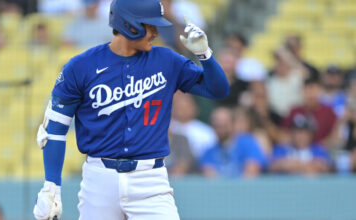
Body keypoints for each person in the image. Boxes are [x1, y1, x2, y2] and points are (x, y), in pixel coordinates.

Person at [33, 0, 230, 219]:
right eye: (149, 25)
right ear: (129, 25)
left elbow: (218, 90)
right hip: (99, 179)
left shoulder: (167, 60)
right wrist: (51, 185)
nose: (156, 32)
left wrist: (205, 55)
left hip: (150, 178)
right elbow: (55, 127)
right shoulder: (81, 66)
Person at [200, 107, 266, 178]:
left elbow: (251, 172)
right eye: (217, 125)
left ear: (232, 124)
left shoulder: (248, 143)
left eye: (224, 124)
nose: (220, 129)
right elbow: (210, 178)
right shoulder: (208, 153)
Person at [284, 77, 337, 145]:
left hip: (322, 151)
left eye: (313, 91)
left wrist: (317, 149)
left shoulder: (329, 111)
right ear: (302, 92)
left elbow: (335, 136)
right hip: (296, 152)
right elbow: (285, 134)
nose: (310, 95)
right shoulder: (294, 111)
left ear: (320, 92)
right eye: (307, 91)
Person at [170, 92, 217, 159]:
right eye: (179, 106)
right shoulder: (168, 128)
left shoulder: (206, 131)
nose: (182, 110)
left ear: (195, 108)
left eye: (186, 107)